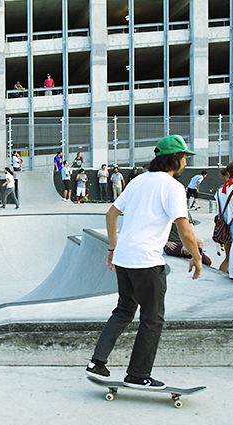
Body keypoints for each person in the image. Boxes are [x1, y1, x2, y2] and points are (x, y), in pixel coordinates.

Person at [85, 135, 202, 389]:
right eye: (184, 157)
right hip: (147, 262)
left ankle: (97, 362)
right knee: (152, 318)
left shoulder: (138, 181)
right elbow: (185, 230)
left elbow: (111, 213)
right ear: (174, 158)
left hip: (125, 259)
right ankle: (138, 374)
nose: (185, 163)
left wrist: (113, 247)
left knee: (125, 310)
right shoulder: (173, 187)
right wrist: (196, 256)